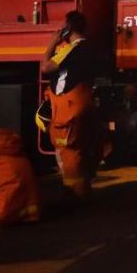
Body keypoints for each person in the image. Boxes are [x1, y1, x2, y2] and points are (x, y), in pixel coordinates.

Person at [41, 10, 107, 200]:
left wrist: (53, 42)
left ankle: (75, 196)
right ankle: (84, 190)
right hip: (83, 104)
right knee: (83, 149)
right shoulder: (90, 48)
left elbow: (45, 67)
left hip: (67, 108)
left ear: (68, 29)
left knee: (68, 152)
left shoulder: (72, 49)